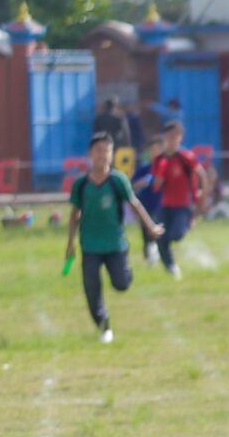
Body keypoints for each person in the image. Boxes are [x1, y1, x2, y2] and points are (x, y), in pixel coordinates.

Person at [65, 132, 165, 343]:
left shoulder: (117, 180)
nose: (102, 155)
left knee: (121, 284)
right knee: (92, 290)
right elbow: (74, 215)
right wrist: (70, 243)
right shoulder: (81, 184)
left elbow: (134, 204)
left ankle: (126, 272)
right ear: (90, 154)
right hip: (90, 246)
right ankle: (104, 327)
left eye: (107, 151)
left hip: (115, 244)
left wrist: (150, 227)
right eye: (98, 151)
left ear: (112, 155)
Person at [144, 121, 207, 278]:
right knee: (160, 236)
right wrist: (159, 175)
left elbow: (202, 175)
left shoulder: (186, 157)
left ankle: (187, 224)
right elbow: (156, 186)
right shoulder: (159, 160)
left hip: (184, 205)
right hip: (166, 204)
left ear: (180, 137)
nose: (172, 139)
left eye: (175, 136)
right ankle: (171, 266)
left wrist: (202, 196)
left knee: (176, 235)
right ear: (164, 137)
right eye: (169, 136)